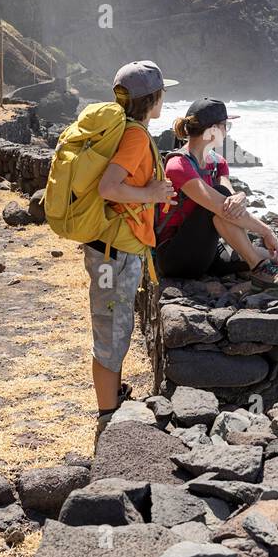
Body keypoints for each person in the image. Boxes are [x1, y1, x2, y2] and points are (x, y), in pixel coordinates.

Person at [86, 60, 177, 438]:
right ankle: (108, 417)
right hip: (116, 251)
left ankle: (114, 400)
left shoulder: (126, 129)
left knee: (114, 327)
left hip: (112, 246)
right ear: (152, 99)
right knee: (110, 331)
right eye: (162, 94)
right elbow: (109, 188)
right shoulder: (137, 136)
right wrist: (151, 194)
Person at [156, 97, 278, 290]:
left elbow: (230, 200)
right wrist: (266, 231)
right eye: (226, 126)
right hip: (175, 257)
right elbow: (220, 205)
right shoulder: (178, 165)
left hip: (208, 250)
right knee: (220, 199)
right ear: (213, 130)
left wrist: (240, 196)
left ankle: (258, 267)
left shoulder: (218, 162)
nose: (227, 130)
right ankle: (258, 268)